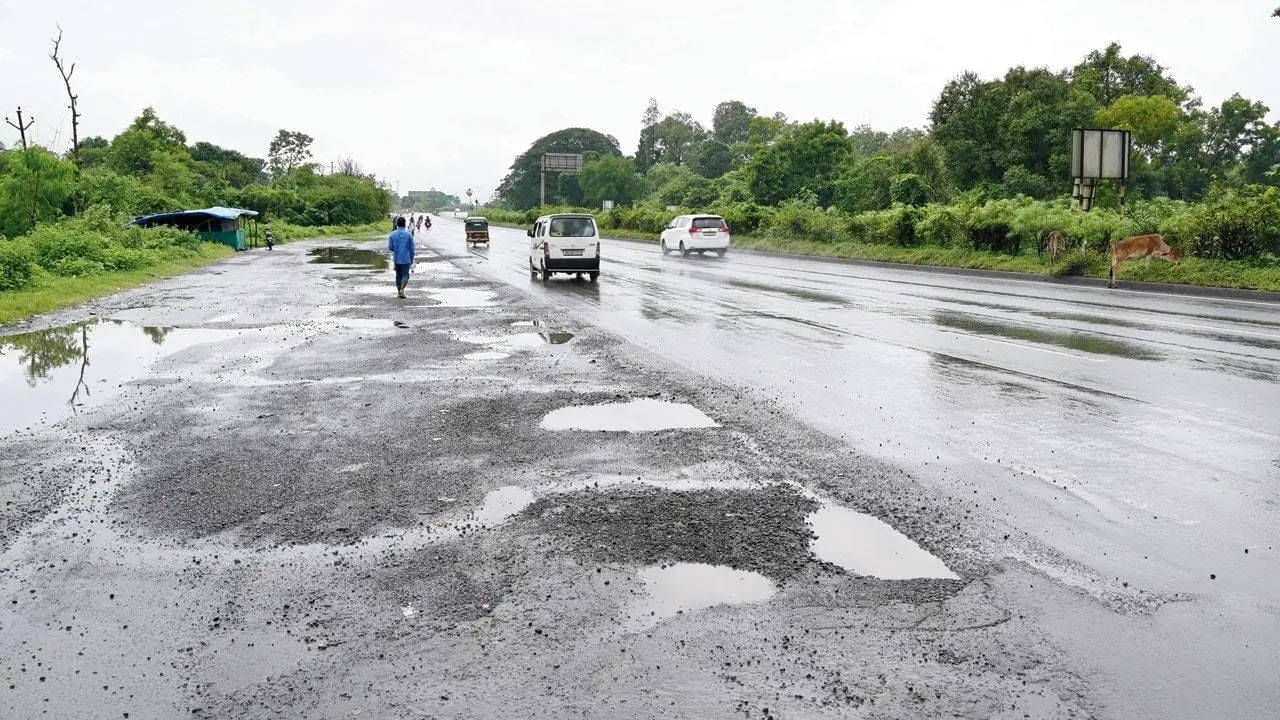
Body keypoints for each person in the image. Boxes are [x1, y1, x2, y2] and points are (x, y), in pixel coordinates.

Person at [388, 216, 415, 298]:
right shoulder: (409, 235)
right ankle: (402, 290)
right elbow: (412, 249)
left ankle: (399, 291)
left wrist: (397, 248)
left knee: (398, 275)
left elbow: (390, 247)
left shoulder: (392, 234)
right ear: (405, 224)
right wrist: (412, 258)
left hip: (396, 258)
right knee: (405, 275)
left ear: (397, 224)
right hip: (406, 259)